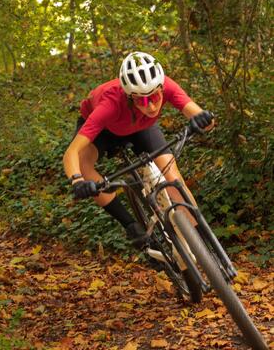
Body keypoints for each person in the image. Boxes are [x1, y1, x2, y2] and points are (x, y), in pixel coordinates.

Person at [63, 51, 214, 248]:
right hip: (104, 131)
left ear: (161, 88)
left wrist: (205, 121)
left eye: (156, 96)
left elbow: (202, 117)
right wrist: (77, 181)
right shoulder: (109, 104)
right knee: (84, 167)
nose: (151, 106)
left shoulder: (167, 85)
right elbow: (71, 153)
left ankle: (203, 240)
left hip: (141, 127)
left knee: (172, 176)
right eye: (142, 100)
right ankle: (131, 226)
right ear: (129, 97)